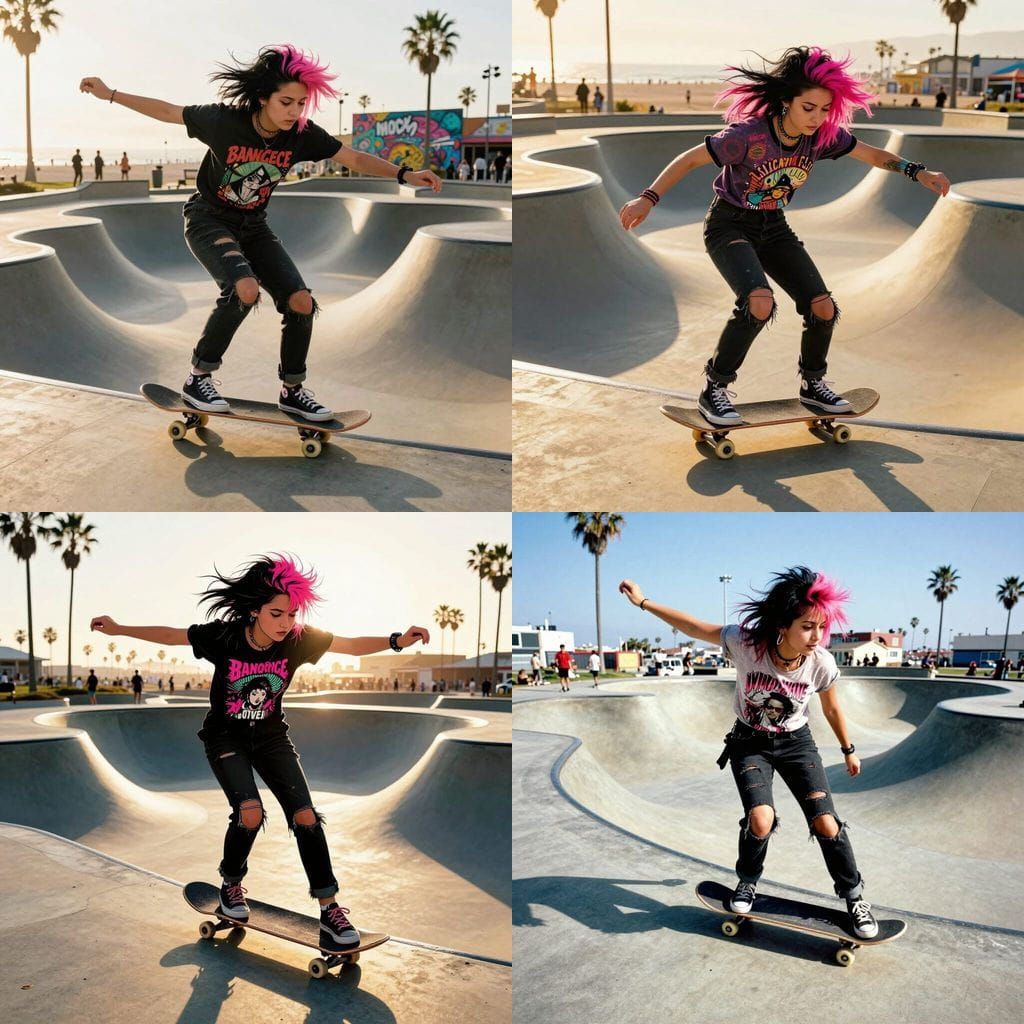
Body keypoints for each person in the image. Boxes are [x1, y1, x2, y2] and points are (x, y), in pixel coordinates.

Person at [79, 45, 441, 422]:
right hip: (208, 219)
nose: (294, 112)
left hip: (254, 227)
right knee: (243, 290)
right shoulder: (223, 121)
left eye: (301, 104)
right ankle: (198, 378)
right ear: (263, 98)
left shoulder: (301, 135)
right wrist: (111, 95)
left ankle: (293, 392)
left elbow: (351, 157)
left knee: (300, 301)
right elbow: (169, 111)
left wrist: (404, 174)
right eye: (286, 102)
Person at [89, 553, 429, 951]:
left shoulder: (299, 640)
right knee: (250, 813)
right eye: (277, 614)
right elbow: (172, 635)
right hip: (225, 738)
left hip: (271, 738)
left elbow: (351, 645)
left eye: (292, 614)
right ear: (255, 610)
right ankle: (231, 887)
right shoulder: (225, 637)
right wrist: (119, 629)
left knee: (306, 816)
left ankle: (330, 907)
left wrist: (396, 641)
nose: (286, 623)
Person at [618, 46, 950, 428]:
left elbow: (873, 155)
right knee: (759, 303)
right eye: (808, 108)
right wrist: (648, 198)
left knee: (822, 307)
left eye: (825, 110)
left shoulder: (822, 138)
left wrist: (917, 172)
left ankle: (813, 385)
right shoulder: (747, 136)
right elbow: (690, 158)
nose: (817, 118)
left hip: (773, 226)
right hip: (729, 224)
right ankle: (715, 390)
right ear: (786, 102)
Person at [618, 566, 880, 941]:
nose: (816, 636)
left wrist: (848, 749)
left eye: (822, 627)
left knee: (826, 823)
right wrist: (643, 602)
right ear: (782, 625)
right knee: (760, 820)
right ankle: (747, 882)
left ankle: (854, 898)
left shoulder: (821, 662)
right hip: (749, 743)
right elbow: (694, 627)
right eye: (807, 626)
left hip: (797, 744)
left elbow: (833, 709)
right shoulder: (747, 643)